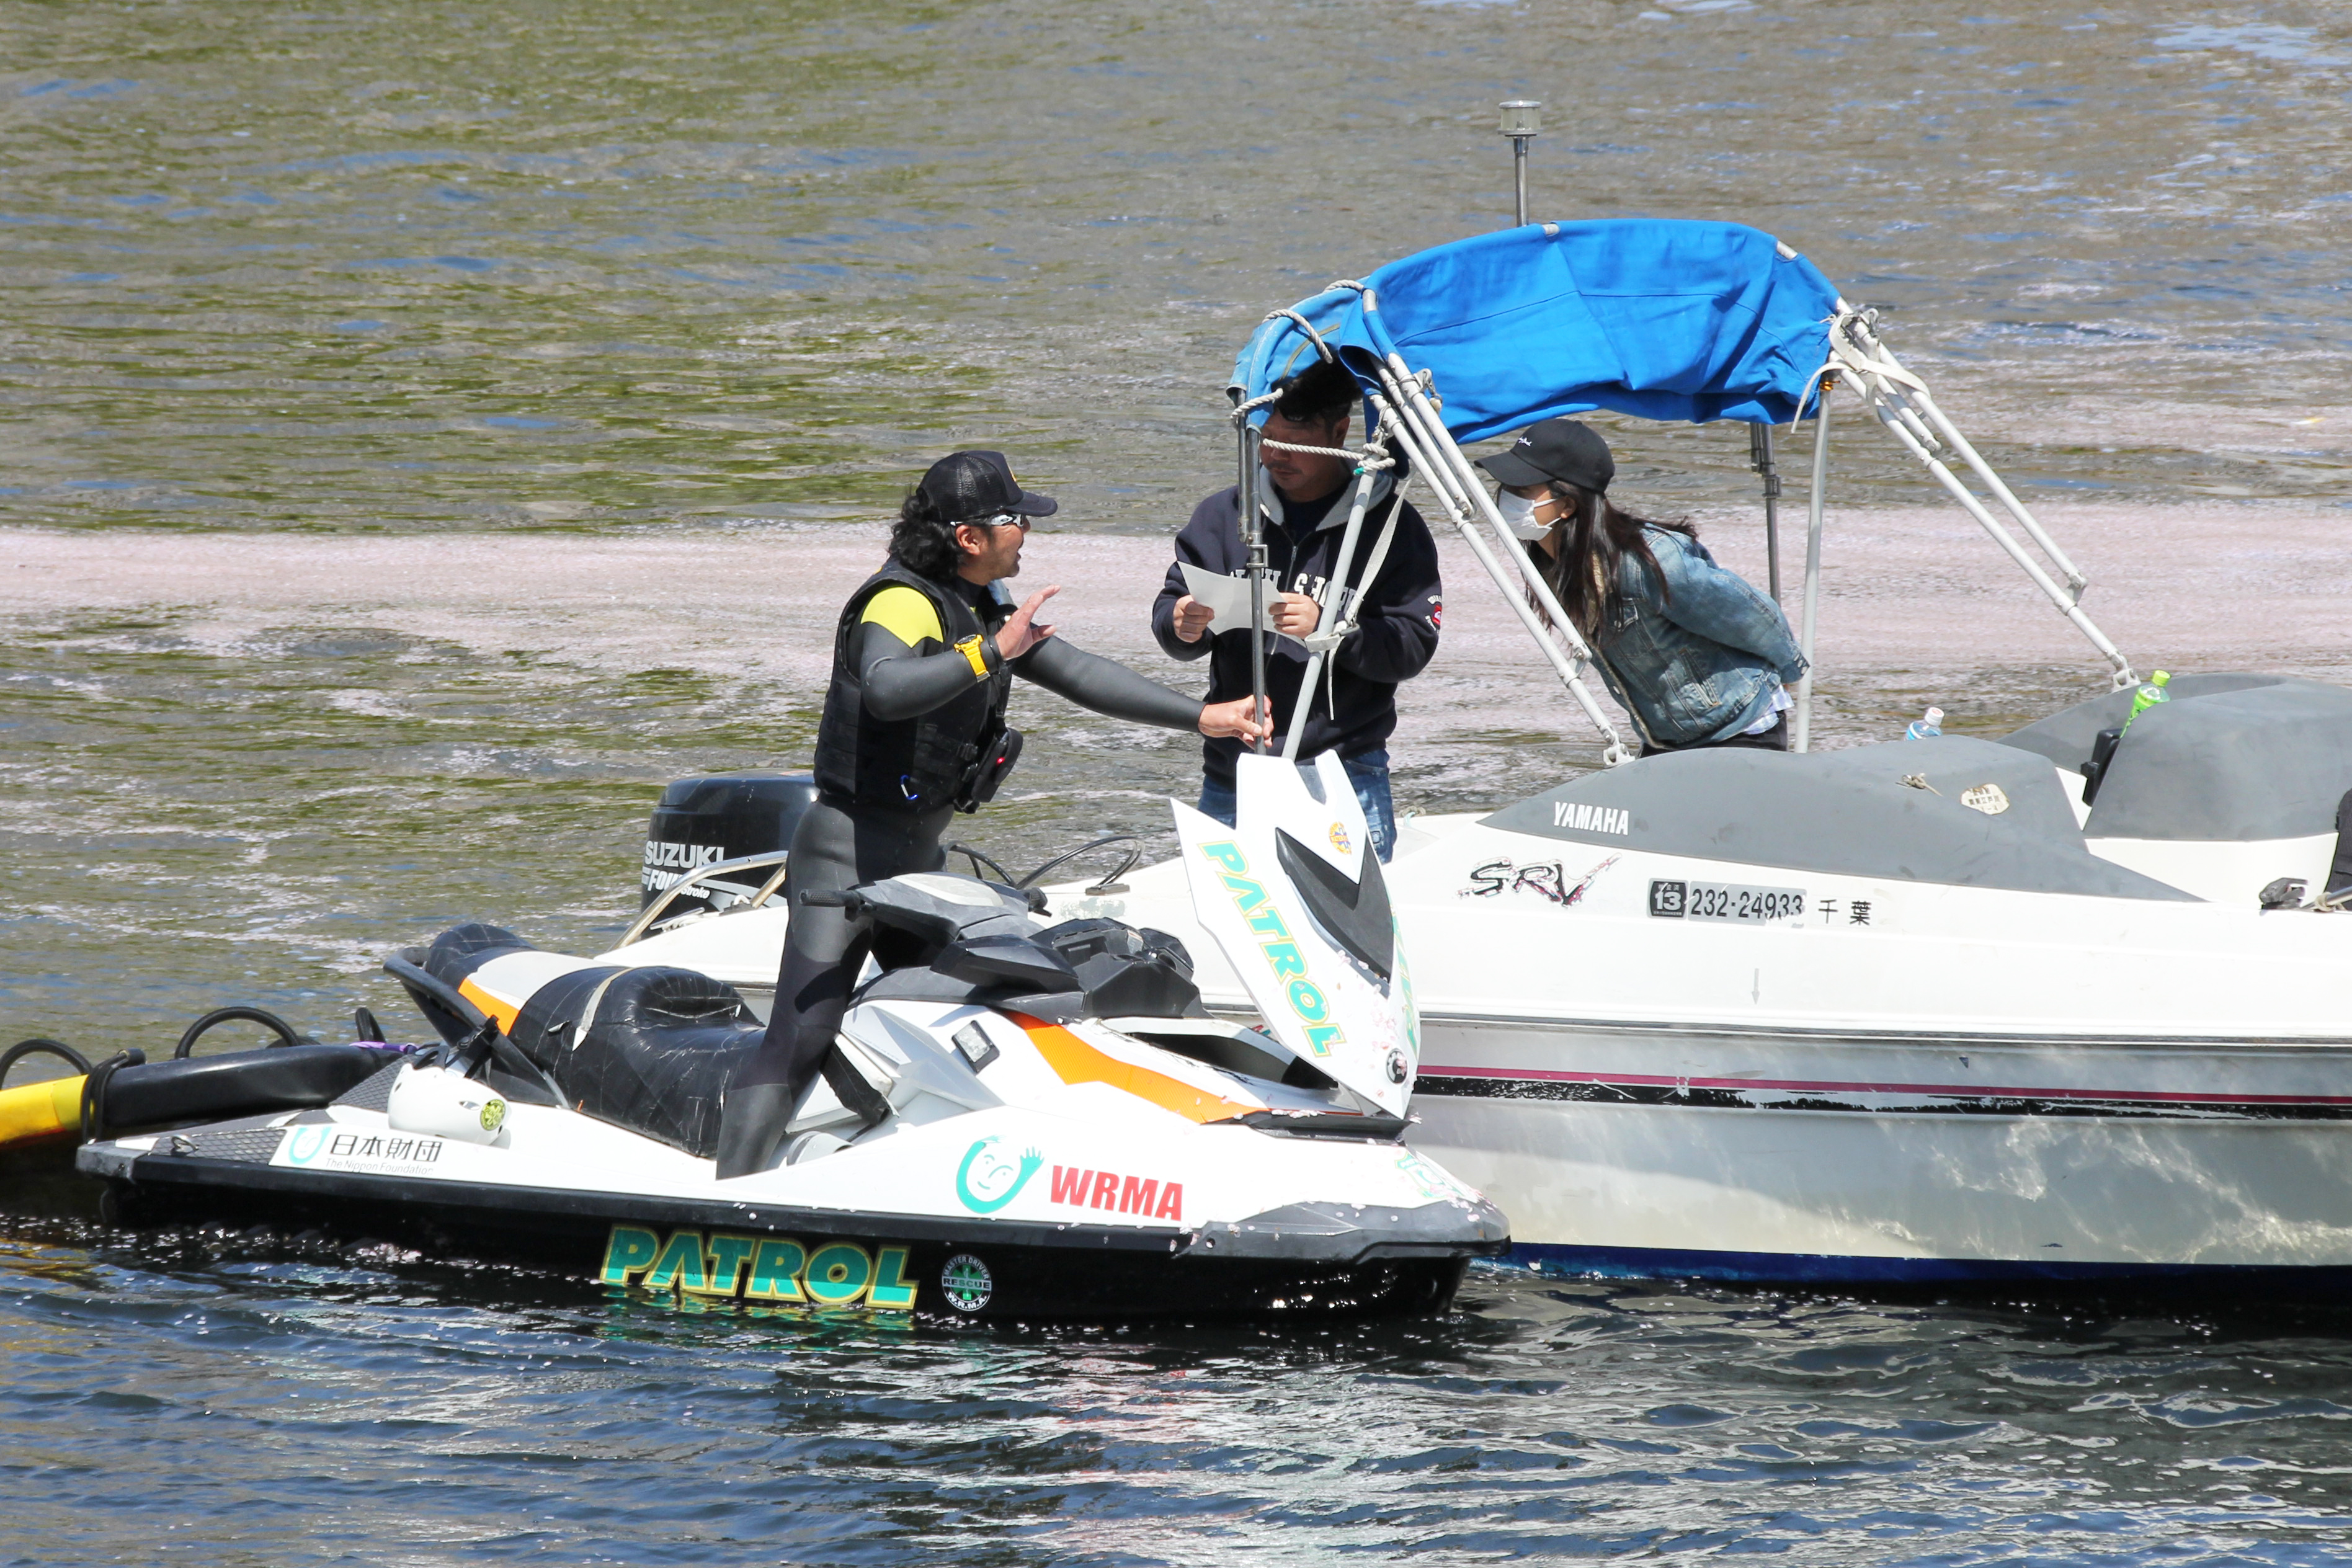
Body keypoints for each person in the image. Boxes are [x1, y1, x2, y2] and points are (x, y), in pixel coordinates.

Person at [715, 450, 1268, 1178]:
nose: (1026, 530)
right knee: (802, 1034)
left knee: (977, 1013)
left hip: (917, 867)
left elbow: (1075, 671)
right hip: (843, 866)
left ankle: (944, 1170)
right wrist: (991, 653)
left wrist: (1205, 718)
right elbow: (886, 689)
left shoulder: (977, 599)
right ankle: (733, 1197)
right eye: (1014, 519)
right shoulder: (899, 601)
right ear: (969, 536)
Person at [1151, 359, 1442, 860]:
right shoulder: (1222, 514)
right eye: (1265, 440)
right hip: (1233, 771)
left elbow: (1412, 646)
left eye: (1293, 446)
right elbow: (1171, 608)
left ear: (1339, 432)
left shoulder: (1392, 525)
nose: (1274, 457)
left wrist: (1334, 633)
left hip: (1345, 772)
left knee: (1355, 934)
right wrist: (1180, 624)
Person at [1478, 417, 1804, 755]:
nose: (1506, 498)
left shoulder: (1648, 561)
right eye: (1506, 487)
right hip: (1664, 737)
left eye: (1522, 490)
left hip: (1738, 724)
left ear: (1568, 504)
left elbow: (1746, 614)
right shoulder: (1552, 567)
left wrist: (1790, 670)